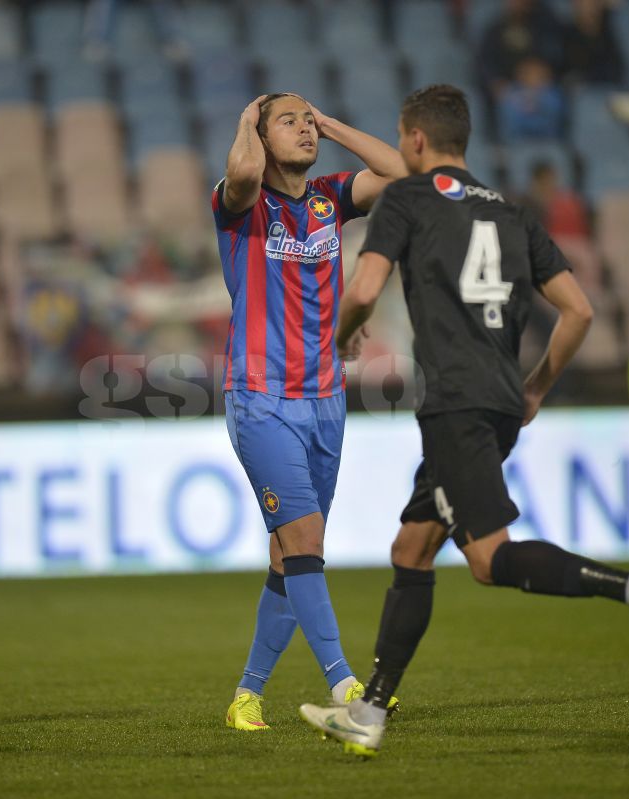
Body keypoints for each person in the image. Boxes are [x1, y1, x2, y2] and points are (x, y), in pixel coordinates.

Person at [296, 85, 629, 758]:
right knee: (411, 550)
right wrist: (535, 386)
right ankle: (369, 710)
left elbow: (362, 288)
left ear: (416, 141)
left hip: (456, 404)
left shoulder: (407, 200)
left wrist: (341, 337)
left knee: (489, 558)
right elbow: (579, 311)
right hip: (502, 399)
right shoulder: (512, 213)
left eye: (400, 139)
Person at [214, 92, 406, 731]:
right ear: (261, 138)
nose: (303, 129)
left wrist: (331, 122)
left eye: (307, 120)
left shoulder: (328, 198)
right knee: (305, 542)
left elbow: (402, 174)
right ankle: (349, 685)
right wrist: (249, 120)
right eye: (287, 122)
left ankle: (247, 695)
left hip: (326, 399)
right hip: (260, 397)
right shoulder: (242, 205)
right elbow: (242, 174)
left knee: (288, 556)